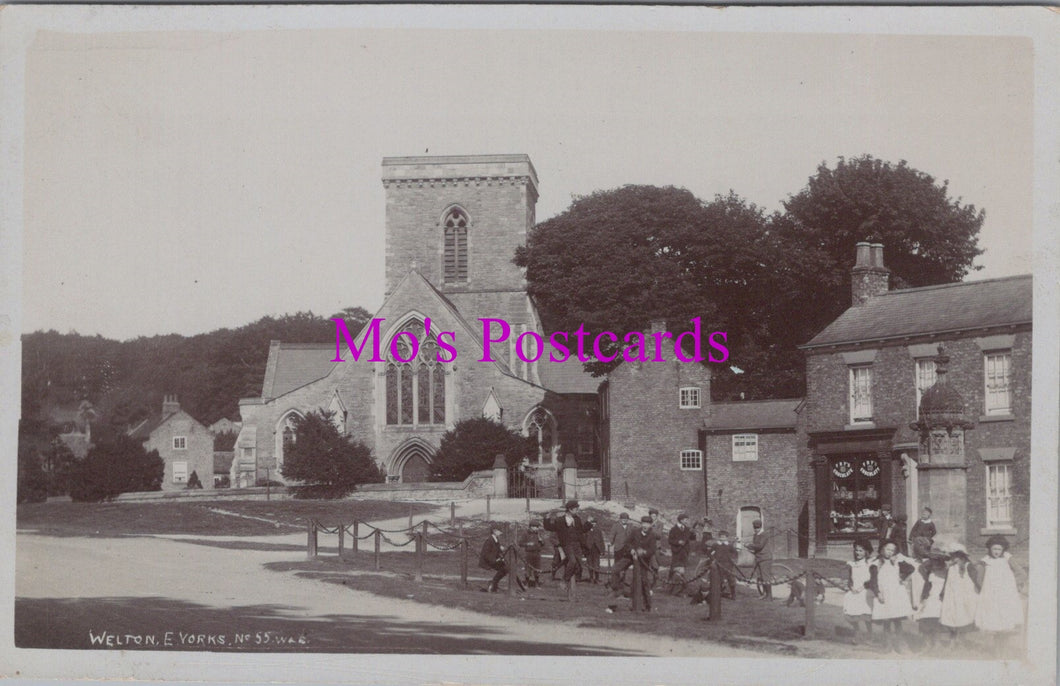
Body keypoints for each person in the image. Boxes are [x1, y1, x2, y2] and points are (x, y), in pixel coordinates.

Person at [974, 535, 1026, 656]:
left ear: (1003, 550)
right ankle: (997, 649)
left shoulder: (1008, 559)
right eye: (994, 549)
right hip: (991, 595)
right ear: (990, 549)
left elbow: (1021, 573)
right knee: (994, 621)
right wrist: (984, 591)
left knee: (1005, 620)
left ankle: (1004, 649)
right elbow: (979, 579)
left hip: (1006, 595)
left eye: (999, 549)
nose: (996, 552)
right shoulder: (985, 561)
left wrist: (1014, 585)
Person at [868, 539, 917, 652]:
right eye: (887, 549)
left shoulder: (897, 562)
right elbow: (873, 581)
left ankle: (900, 644)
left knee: (897, 620)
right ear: (881, 549)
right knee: (886, 620)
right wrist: (878, 593)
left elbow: (911, 568)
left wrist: (902, 576)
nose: (890, 552)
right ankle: (887, 645)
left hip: (895, 594)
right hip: (883, 594)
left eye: (892, 550)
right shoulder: (876, 564)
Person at [607, 515, 657, 612]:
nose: (645, 526)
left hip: (642, 560)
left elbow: (652, 550)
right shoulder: (635, 532)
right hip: (630, 557)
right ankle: (617, 590)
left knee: (643, 581)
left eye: (647, 524)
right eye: (643, 523)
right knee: (615, 569)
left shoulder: (652, 535)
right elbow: (627, 543)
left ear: (651, 525)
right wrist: (632, 550)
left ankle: (646, 605)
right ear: (641, 524)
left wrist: (644, 552)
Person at [542, 500, 590, 595]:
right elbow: (549, 527)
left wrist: (588, 523)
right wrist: (546, 519)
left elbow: (581, 531)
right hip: (567, 545)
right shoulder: (560, 520)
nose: (577, 510)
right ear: (570, 509)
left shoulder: (577, 519)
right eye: (576, 509)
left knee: (579, 566)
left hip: (577, 545)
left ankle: (572, 585)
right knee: (572, 561)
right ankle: (564, 580)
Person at [939, 543, 979, 650]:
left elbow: (976, 579)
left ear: (962, 556)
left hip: (965, 595)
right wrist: (942, 592)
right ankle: (953, 639)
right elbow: (947, 581)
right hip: (951, 595)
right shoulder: (950, 568)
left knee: (963, 616)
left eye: (957, 556)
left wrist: (979, 590)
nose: (954, 558)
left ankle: (960, 640)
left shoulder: (968, 566)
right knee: (951, 617)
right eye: (952, 556)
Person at [913, 554, 948, 652]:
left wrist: (944, 596)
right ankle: (927, 643)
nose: (935, 563)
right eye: (933, 561)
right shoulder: (930, 572)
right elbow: (927, 585)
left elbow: (948, 587)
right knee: (925, 618)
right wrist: (924, 597)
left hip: (941, 598)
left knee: (936, 620)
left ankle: (937, 643)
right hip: (931, 597)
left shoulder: (947, 572)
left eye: (937, 561)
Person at [842, 539, 875, 643]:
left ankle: (870, 634)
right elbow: (850, 579)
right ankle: (857, 632)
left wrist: (862, 588)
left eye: (861, 551)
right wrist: (851, 587)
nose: (858, 553)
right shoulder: (852, 564)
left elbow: (872, 579)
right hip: (854, 591)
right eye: (856, 550)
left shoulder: (870, 563)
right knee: (852, 613)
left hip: (865, 591)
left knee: (866, 615)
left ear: (866, 551)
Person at [666, 513, 696, 591]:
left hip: (685, 551)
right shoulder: (673, 529)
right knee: (674, 567)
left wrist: (693, 533)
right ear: (681, 520)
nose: (687, 521)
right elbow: (670, 540)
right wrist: (678, 542)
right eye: (686, 520)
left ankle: (682, 585)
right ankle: (669, 584)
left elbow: (692, 538)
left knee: (683, 567)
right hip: (676, 551)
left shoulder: (687, 529)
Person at [746, 519, 774, 600]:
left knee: (766, 577)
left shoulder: (764, 534)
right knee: (760, 577)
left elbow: (760, 546)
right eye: (755, 527)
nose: (756, 529)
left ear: (761, 527)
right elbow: (756, 546)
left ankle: (769, 596)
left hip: (765, 558)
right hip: (758, 558)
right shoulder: (755, 535)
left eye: (757, 527)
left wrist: (749, 545)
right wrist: (749, 547)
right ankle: (765, 594)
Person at [478, 523, 509, 593]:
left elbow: (496, 550)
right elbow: (486, 554)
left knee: (506, 568)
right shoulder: (489, 540)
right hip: (488, 561)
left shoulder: (496, 539)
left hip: (494, 560)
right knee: (504, 568)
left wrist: (500, 551)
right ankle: (493, 584)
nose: (501, 533)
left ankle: (494, 583)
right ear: (494, 531)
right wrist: (495, 560)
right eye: (499, 531)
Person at [608, 512, 634, 587]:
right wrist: (610, 542)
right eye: (623, 519)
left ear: (628, 519)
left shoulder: (631, 526)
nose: (624, 520)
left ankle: (624, 580)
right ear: (620, 519)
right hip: (618, 548)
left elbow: (634, 536)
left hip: (628, 549)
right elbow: (612, 534)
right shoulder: (615, 526)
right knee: (617, 565)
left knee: (625, 565)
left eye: (626, 519)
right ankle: (616, 581)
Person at [519, 519, 546, 587]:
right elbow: (520, 543)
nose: (537, 528)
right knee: (528, 569)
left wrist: (541, 541)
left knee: (537, 569)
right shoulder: (526, 534)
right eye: (535, 527)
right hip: (529, 553)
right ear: (531, 527)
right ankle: (526, 583)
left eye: (537, 527)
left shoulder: (538, 534)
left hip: (537, 553)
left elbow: (543, 544)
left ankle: (537, 584)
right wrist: (528, 544)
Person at [583, 516, 606, 583]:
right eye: (592, 523)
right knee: (589, 563)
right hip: (588, 549)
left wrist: (602, 550)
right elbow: (583, 540)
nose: (593, 524)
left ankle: (597, 578)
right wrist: (584, 550)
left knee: (597, 564)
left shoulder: (598, 530)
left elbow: (601, 540)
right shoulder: (586, 530)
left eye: (594, 523)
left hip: (596, 549)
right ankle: (591, 578)